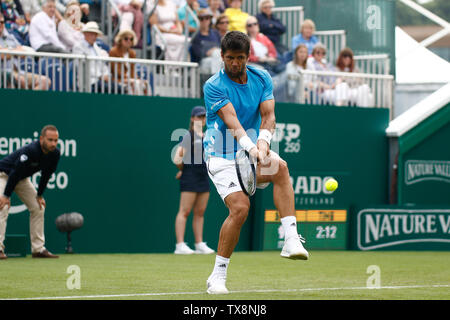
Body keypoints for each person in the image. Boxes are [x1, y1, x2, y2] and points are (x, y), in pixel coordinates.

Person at [202, 31, 309, 294]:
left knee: (281, 168)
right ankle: (217, 276)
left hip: (250, 151)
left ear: (248, 57)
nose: (235, 64)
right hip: (220, 155)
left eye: (240, 58)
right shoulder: (214, 85)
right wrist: (251, 147)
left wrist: (263, 143)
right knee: (240, 208)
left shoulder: (261, 77)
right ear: (222, 57)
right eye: (229, 58)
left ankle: (291, 239)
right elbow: (232, 121)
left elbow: (268, 115)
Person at [0, 125, 61, 260]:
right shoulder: (31, 150)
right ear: (41, 139)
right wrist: (6, 195)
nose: (53, 144)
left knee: (39, 207)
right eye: (50, 140)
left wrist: (39, 195)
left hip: (21, 178)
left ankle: (38, 249)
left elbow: (46, 175)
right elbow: (14, 172)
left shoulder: (55, 154)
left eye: (56, 141)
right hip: (4, 175)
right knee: (2, 206)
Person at [172, 106, 215, 255]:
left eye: (204, 117)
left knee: (200, 212)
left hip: (203, 177)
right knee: (184, 211)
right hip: (190, 177)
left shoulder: (208, 136)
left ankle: (199, 244)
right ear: (192, 119)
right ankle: (180, 245)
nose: (202, 119)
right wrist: (183, 170)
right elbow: (177, 157)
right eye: (199, 116)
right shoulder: (188, 136)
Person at [0, 12, 51, 90]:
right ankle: (26, 101)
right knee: (21, 80)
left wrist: (9, 52)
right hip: (3, 72)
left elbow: (23, 53)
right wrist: (15, 51)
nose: (1, 24)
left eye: (2, 22)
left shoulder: (10, 37)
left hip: (18, 71)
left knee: (45, 81)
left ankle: (30, 101)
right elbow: (2, 55)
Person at [72, 21, 112, 92]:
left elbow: (103, 65)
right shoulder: (78, 47)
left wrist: (106, 74)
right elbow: (81, 66)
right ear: (85, 34)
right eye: (91, 34)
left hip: (99, 81)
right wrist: (100, 76)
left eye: (95, 34)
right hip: (88, 81)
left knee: (118, 88)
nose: (94, 37)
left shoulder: (97, 48)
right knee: (115, 88)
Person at [109, 29, 149, 95]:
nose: (129, 41)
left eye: (131, 39)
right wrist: (130, 79)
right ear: (120, 39)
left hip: (129, 79)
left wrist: (134, 78)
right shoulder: (113, 51)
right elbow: (116, 71)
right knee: (135, 83)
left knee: (145, 83)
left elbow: (133, 70)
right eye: (126, 39)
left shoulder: (132, 53)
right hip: (117, 79)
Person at [190, 8, 221, 74]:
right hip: (202, 63)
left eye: (207, 18)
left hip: (217, 59)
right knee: (216, 55)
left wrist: (215, 50)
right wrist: (208, 52)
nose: (204, 21)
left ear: (210, 20)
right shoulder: (195, 36)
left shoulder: (216, 33)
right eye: (201, 19)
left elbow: (222, 48)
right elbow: (197, 54)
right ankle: (216, 81)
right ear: (198, 20)